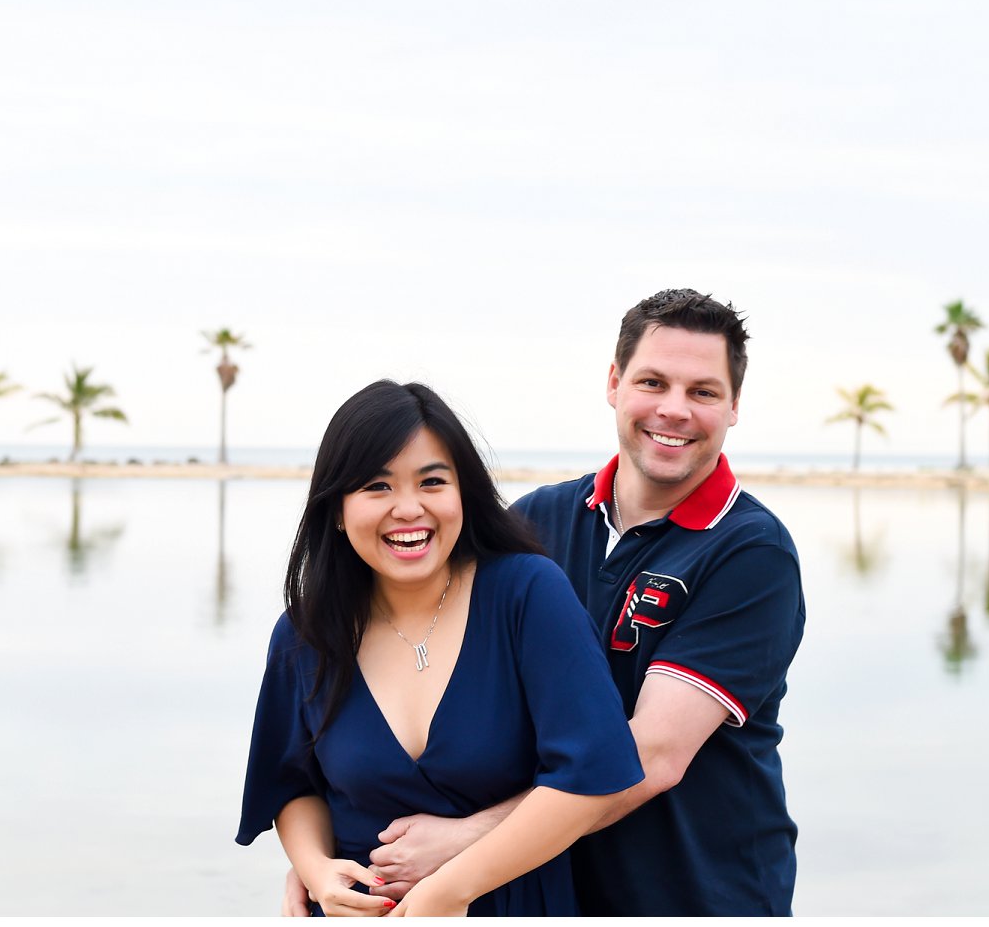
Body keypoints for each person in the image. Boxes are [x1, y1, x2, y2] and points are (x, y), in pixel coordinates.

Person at [309, 289, 805, 916]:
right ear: (614, 383)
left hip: (695, 892)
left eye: (703, 391)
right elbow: (424, 669)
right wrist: (327, 858)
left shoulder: (750, 552)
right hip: (545, 892)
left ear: (734, 406)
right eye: (653, 382)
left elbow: (650, 758)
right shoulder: (537, 521)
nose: (674, 410)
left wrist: (462, 843)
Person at [238, 380, 645, 916]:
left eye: (432, 481)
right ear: (337, 508)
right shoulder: (305, 632)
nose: (408, 508)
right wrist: (316, 870)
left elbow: (590, 778)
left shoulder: (526, 594)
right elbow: (292, 783)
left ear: (463, 495)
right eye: (376, 487)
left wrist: (449, 890)